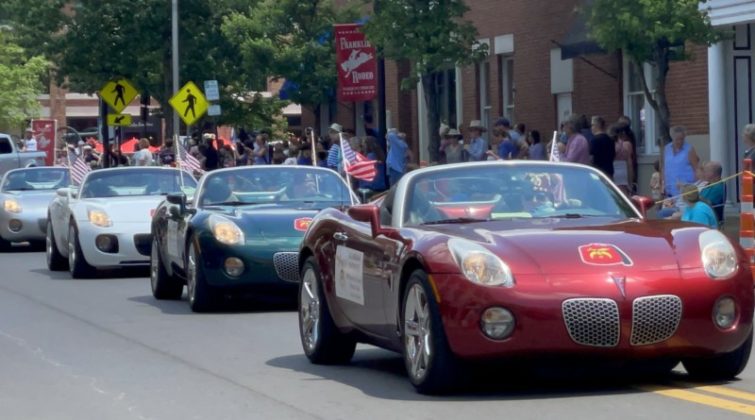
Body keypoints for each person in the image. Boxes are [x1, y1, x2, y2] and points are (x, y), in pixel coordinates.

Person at [664, 126, 699, 198]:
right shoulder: (666, 149)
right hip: (669, 190)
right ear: (672, 138)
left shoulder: (689, 149)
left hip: (685, 190)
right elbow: (663, 167)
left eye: (682, 139)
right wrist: (662, 184)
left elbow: (696, 169)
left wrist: (694, 188)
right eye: (677, 139)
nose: (679, 141)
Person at [611, 124, 634, 195]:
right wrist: (631, 182)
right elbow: (629, 164)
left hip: (614, 170)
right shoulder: (627, 145)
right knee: (624, 194)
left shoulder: (612, 144)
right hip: (623, 170)